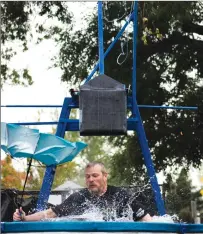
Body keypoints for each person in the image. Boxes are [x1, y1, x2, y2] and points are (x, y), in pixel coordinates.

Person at [13, 162, 152, 222]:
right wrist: (25, 218)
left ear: (105, 176)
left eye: (95, 176)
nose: (90, 179)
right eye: (87, 176)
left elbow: (146, 219)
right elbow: (50, 213)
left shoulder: (121, 195)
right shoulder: (79, 197)